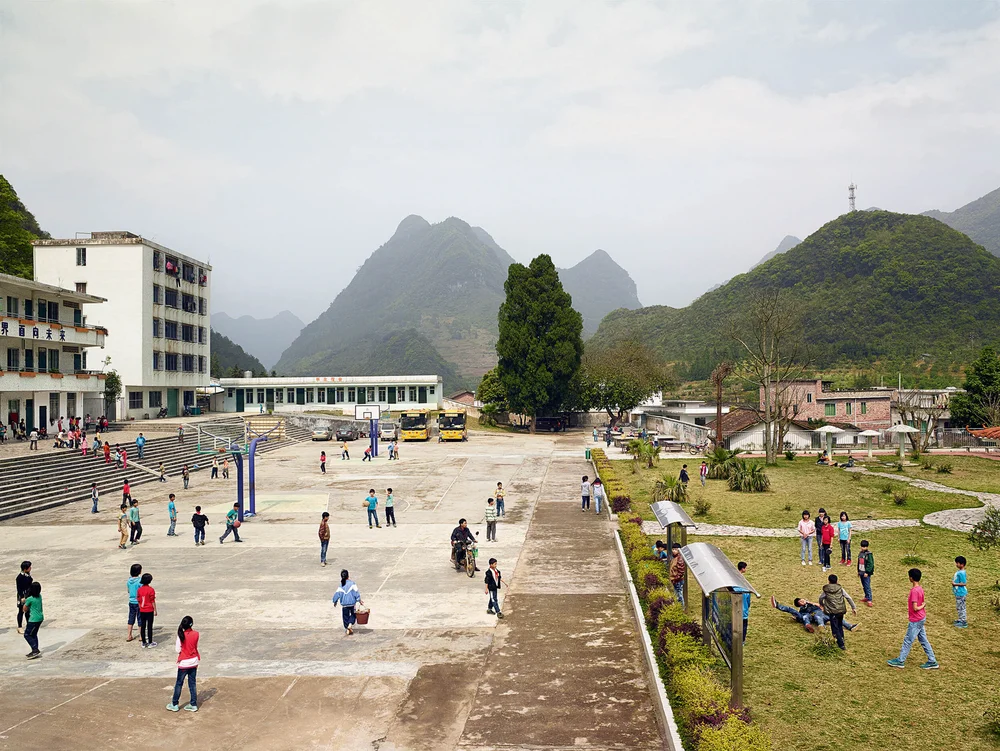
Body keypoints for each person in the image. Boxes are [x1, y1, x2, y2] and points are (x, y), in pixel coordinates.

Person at [887, 568, 939, 669]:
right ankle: (932, 660)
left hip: (916, 619)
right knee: (923, 639)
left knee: (908, 640)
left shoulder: (914, 591)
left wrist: (922, 606)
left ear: (911, 578)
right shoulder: (920, 589)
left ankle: (900, 660)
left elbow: (915, 607)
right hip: (921, 618)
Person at [769, 596, 861, 634]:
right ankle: (777, 605)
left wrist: (810, 602)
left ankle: (850, 627)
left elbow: (821, 606)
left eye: (802, 599)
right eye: (800, 602)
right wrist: (796, 617)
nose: (802, 601)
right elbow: (802, 615)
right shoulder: (801, 610)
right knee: (805, 616)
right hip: (811, 616)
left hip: (822, 614)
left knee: (836, 618)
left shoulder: (811, 604)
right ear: (799, 605)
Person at [166, 615, 200, 712]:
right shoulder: (196, 634)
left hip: (184, 663)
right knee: (192, 683)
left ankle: (174, 704)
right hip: (194, 661)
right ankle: (193, 704)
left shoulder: (180, 636)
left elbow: (178, 650)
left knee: (179, 683)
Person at [819, 573, 857, 650]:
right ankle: (841, 639)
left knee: (835, 628)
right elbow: (848, 598)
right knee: (839, 625)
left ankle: (841, 644)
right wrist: (853, 607)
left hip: (832, 611)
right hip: (841, 610)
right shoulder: (840, 589)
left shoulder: (826, 590)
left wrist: (822, 605)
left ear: (829, 581)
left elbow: (821, 598)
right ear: (837, 581)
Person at [332, 570, 361, 635]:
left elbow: (337, 594)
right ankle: (350, 624)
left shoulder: (341, 586)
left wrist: (335, 601)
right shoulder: (352, 584)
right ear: (348, 576)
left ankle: (347, 628)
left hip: (344, 605)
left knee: (345, 617)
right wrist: (359, 600)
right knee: (353, 614)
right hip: (352, 604)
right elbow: (356, 593)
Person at [22, 581, 44, 659]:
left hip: (33, 619)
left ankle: (35, 649)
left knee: (27, 634)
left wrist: (24, 602)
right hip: (40, 618)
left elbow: (24, 609)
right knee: (34, 634)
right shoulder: (40, 596)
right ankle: (35, 649)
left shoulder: (30, 599)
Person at [137, 573, 157, 648]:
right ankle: (150, 642)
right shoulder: (151, 590)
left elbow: (139, 600)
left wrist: (141, 608)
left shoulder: (139, 590)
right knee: (149, 626)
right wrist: (155, 610)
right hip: (149, 610)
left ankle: (144, 642)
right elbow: (152, 601)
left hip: (142, 610)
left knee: (143, 626)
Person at [733, 561, 752, 642]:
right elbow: (748, 602)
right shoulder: (746, 591)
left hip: (735, 611)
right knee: (744, 626)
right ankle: (742, 640)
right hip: (744, 612)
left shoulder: (733, 589)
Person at [126, 563, 142, 642]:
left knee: (131, 619)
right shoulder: (140, 581)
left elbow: (128, 591)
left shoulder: (129, 581)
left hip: (131, 602)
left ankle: (129, 635)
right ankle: (141, 636)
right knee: (140, 619)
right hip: (138, 602)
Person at [16, 561, 33, 634]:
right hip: (22, 595)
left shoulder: (28, 575)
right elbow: (19, 588)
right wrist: (22, 597)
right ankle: (19, 626)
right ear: (25, 569)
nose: (30, 568)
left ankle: (28, 625)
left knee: (28, 611)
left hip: (28, 595)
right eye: (29, 567)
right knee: (21, 611)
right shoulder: (20, 577)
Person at [857, 540, 875, 606]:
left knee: (867, 586)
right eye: (862, 546)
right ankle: (866, 597)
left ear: (867, 547)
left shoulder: (869, 554)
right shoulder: (860, 553)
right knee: (864, 586)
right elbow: (859, 563)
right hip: (861, 572)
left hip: (866, 573)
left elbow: (870, 564)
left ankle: (869, 599)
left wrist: (867, 572)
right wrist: (858, 571)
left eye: (864, 547)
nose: (863, 548)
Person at [953, 556, 968, 628]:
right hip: (958, 593)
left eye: (957, 563)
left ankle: (963, 621)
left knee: (962, 607)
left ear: (962, 564)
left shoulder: (961, 573)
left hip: (961, 593)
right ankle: (960, 619)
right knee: (959, 607)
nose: (956, 564)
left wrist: (955, 584)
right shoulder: (960, 572)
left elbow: (964, 583)